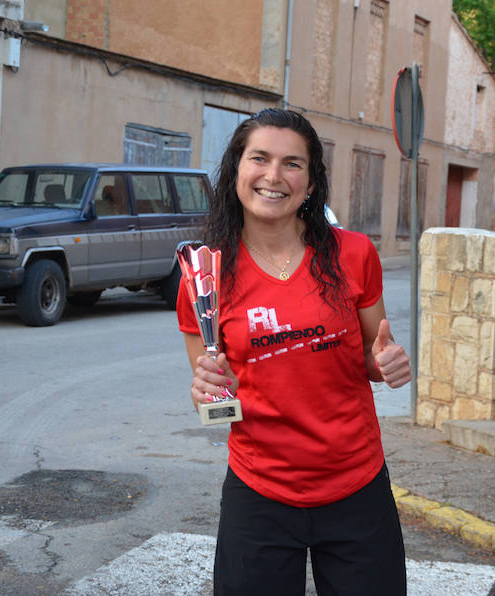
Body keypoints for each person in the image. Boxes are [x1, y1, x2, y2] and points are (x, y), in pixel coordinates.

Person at [177, 108, 411, 595]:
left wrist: (386, 364)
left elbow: (371, 356)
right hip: (259, 492)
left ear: (310, 181)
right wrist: (205, 391)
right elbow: (212, 397)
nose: (273, 175)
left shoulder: (353, 254)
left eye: (292, 163)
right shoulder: (204, 275)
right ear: (236, 169)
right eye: (259, 158)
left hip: (356, 485)